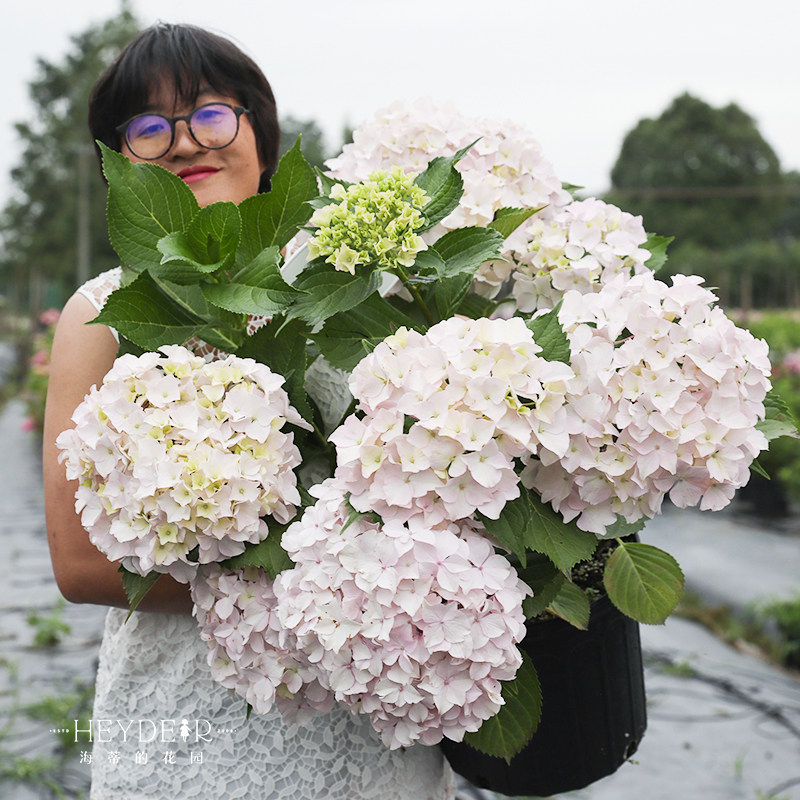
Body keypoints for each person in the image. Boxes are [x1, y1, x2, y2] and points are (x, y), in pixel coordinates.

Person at [42, 22, 455, 800]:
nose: (182, 142)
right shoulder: (103, 314)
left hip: (363, 704)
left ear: (259, 137)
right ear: (119, 163)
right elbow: (80, 564)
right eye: (147, 127)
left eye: (208, 113)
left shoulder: (355, 288)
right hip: (184, 733)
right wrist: (314, 579)